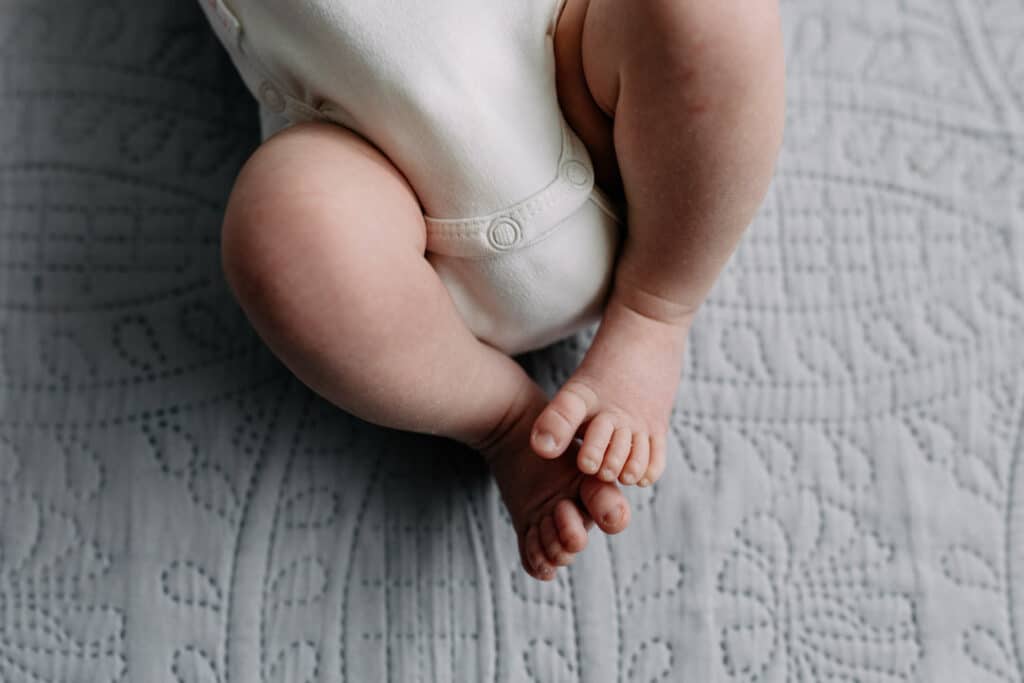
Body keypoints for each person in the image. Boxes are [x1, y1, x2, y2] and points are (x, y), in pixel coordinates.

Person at [200, 0, 785, 581]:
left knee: (709, 14)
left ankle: (658, 307)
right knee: (281, 230)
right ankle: (503, 421)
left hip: (569, 71)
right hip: (382, 192)